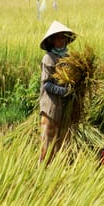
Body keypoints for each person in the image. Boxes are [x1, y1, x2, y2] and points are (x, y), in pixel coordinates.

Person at [39, 21, 76, 163]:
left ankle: (57, 174)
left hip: (64, 108)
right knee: (47, 145)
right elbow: (46, 84)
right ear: (52, 41)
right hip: (50, 108)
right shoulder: (48, 58)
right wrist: (64, 91)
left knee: (61, 145)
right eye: (57, 37)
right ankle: (42, 172)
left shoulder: (68, 58)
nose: (61, 40)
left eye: (63, 37)